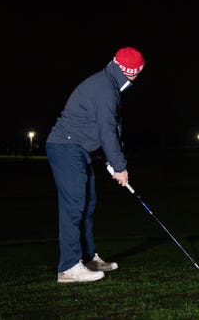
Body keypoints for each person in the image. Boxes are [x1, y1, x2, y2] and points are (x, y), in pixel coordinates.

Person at [46, 47, 145, 283]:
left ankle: (87, 257)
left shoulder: (108, 84)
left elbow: (106, 130)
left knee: (88, 203)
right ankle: (68, 267)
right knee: (74, 204)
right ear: (132, 73)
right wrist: (120, 167)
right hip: (66, 147)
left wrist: (112, 162)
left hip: (79, 149)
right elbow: (107, 132)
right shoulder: (106, 90)